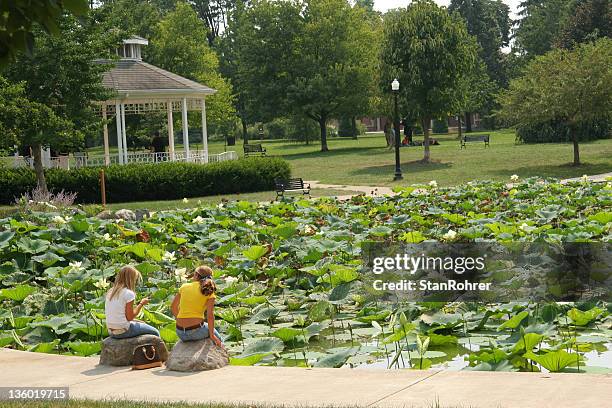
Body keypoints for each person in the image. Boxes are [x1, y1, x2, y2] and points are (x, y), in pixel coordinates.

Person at [171, 266, 223, 347]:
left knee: (205, 325)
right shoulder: (209, 291)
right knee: (218, 337)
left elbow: (173, 307)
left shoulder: (184, 287)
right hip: (196, 331)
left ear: (196, 275)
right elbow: (210, 316)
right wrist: (212, 335)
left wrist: (180, 320)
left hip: (180, 332)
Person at [105, 266, 160, 339]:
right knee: (155, 332)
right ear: (131, 279)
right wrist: (141, 303)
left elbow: (120, 315)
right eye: (135, 279)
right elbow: (130, 317)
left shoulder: (111, 291)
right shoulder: (128, 293)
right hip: (123, 331)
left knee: (142, 323)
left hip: (111, 331)